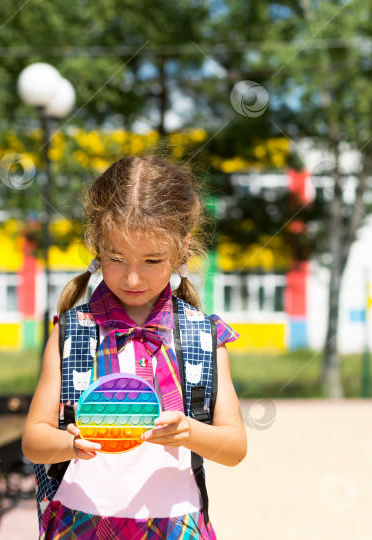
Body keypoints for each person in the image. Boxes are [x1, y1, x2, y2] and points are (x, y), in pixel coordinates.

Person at [22, 155, 247, 539]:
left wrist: (189, 431)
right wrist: (72, 443)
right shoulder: (72, 332)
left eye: (152, 260)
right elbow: (34, 442)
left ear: (182, 249)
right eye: (116, 257)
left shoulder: (202, 337)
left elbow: (234, 447)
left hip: (178, 525)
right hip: (81, 523)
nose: (132, 276)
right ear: (96, 246)